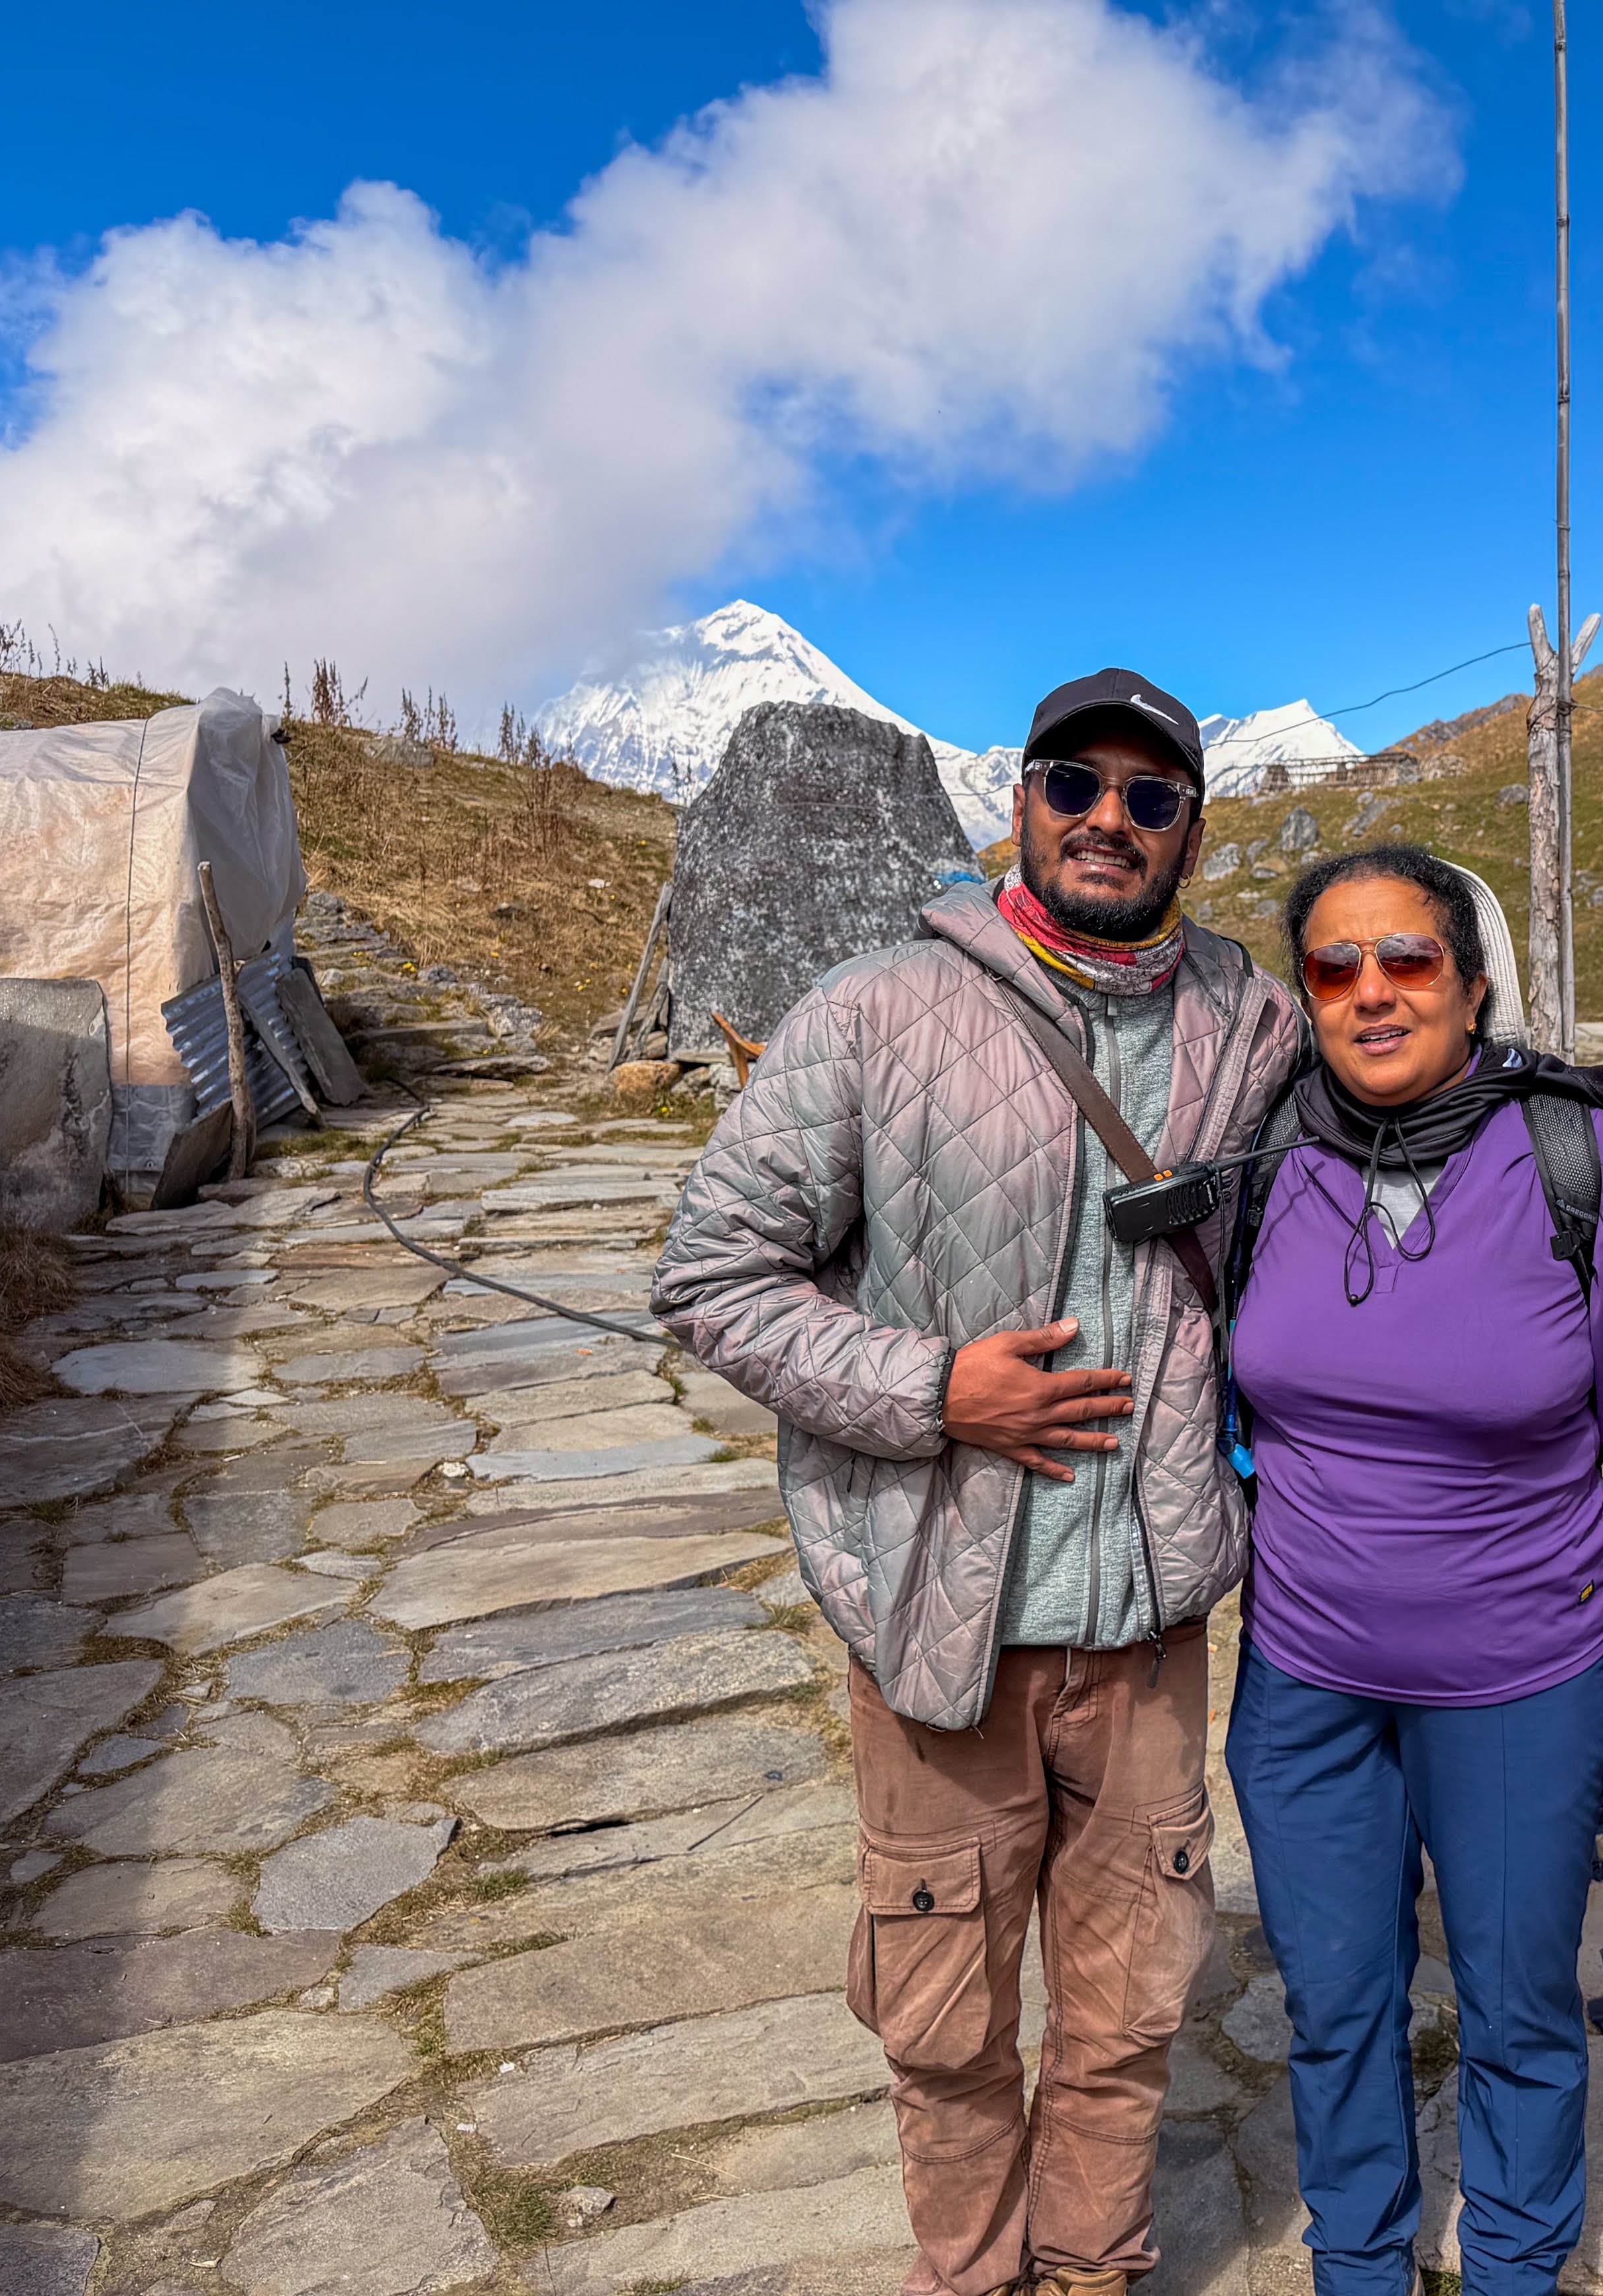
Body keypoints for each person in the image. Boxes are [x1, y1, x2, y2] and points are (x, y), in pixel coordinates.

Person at [653, 668, 1299, 2296]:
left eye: (1150, 798)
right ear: (1015, 799)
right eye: (1072, 782)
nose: (1108, 818)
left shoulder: (1253, 1024)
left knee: (1131, 2002)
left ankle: (1091, 2270)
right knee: (944, 2017)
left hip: (1147, 1615)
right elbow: (712, 1274)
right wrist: (935, 1387)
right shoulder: (876, 1010)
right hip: (942, 1610)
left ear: (1191, 834)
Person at [1220, 844, 1603, 2296]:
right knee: (1334, 2006)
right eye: (1332, 966)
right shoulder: (1271, 1155)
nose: (1370, 991)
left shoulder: (1583, 1166)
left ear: (1470, 979)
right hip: (1302, 1683)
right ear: (1305, 993)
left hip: (1519, 1677)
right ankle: (1358, 2269)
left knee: (1512, 2012)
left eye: (1405, 959)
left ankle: (1510, 2267)